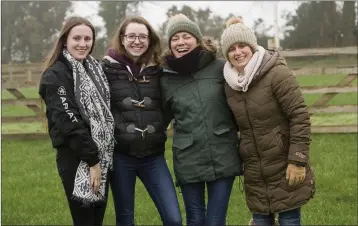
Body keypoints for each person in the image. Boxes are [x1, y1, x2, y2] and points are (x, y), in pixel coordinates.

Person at [220, 17, 316, 226]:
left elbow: (299, 116)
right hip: (254, 171)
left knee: (289, 219)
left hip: (285, 162)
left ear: (252, 47)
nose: (238, 52)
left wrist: (298, 161)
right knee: (261, 220)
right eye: (232, 48)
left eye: (242, 45)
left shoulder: (277, 73)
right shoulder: (230, 84)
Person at [160, 14, 243, 226]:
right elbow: (159, 117)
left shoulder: (221, 68)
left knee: (215, 221)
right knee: (195, 219)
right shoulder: (166, 78)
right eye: (175, 38)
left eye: (186, 36)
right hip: (188, 158)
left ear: (198, 40)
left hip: (223, 153)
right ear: (170, 45)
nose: (181, 42)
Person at [100, 16, 182, 226]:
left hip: (153, 157)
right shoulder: (106, 68)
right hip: (120, 157)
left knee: (173, 218)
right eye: (132, 36)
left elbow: (170, 101)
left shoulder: (159, 69)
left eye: (143, 36)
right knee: (125, 220)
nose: (137, 41)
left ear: (150, 39)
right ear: (122, 38)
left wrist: (158, 126)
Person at [39, 16, 115, 226]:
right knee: (85, 221)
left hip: (102, 156)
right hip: (76, 157)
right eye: (77, 38)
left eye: (87, 39)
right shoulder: (55, 76)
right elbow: (68, 122)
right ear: (65, 40)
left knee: (96, 219)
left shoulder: (94, 70)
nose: (83, 44)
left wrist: (98, 160)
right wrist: (93, 162)